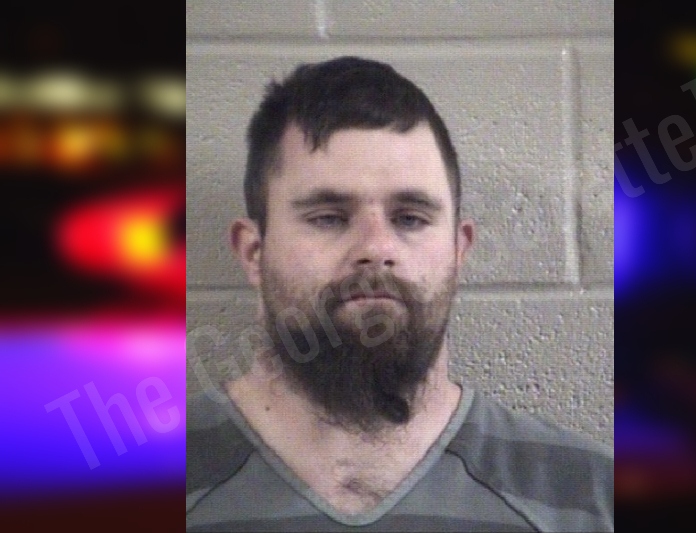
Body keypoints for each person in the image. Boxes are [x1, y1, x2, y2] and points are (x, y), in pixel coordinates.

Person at [186, 56, 613, 532]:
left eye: (410, 218)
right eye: (328, 217)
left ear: (458, 250)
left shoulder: (588, 497)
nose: (375, 249)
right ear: (253, 253)